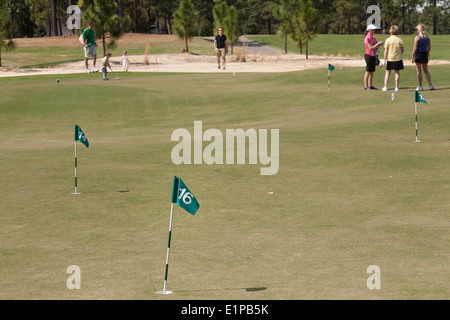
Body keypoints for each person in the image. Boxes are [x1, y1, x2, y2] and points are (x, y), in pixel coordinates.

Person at [411, 24, 435, 91]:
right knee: (426, 71)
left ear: (419, 30)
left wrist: (412, 57)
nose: (416, 30)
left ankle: (420, 86)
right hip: (424, 54)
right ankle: (431, 85)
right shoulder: (427, 38)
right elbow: (429, 48)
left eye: (417, 29)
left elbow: (415, 48)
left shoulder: (417, 38)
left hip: (418, 54)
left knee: (419, 71)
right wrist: (427, 53)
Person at [382, 25, 404, 92]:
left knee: (387, 73)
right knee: (397, 73)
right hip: (398, 58)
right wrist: (399, 54)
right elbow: (402, 50)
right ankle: (396, 87)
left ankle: (385, 87)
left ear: (390, 31)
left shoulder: (388, 40)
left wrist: (384, 60)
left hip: (390, 58)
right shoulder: (400, 40)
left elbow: (386, 51)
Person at [364, 24, 384, 90]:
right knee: (368, 71)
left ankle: (370, 85)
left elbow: (374, 46)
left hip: (373, 56)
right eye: (373, 30)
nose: (374, 31)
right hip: (369, 55)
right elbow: (371, 48)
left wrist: (379, 44)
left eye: (374, 30)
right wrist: (378, 44)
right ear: (369, 30)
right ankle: (366, 86)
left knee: (372, 71)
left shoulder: (372, 37)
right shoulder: (367, 38)